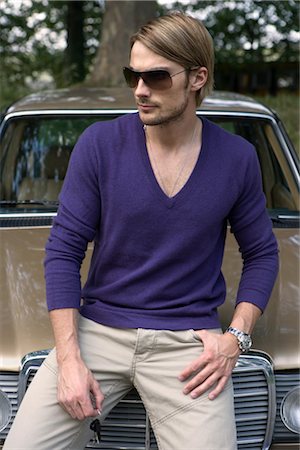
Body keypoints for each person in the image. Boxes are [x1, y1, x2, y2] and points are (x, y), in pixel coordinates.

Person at [4, 12, 278, 450]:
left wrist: (236, 338)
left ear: (197, 77)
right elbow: (63, 251)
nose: (140, 90)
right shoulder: (99, 145)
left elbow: (262, 253)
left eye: (156, 77)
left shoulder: (238, 158)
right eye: (133, 75)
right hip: (98, 331)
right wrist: (70, 359)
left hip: (188, 344)